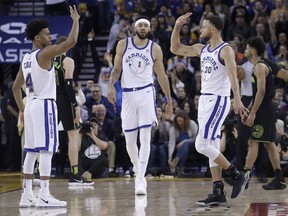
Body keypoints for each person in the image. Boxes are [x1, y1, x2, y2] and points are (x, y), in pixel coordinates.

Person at [170, 13, 249, 206]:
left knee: (201, 145)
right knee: (211, 146)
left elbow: (233, 75)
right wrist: (177, 26)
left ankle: (237, 175)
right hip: (204, 101)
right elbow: (175, 48)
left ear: (213, 29)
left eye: (203, 27)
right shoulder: (202, 49)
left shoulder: (226, 50)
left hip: (218, 100)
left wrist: (236, 99)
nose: (200, 30)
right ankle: (218, 191)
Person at [12, 5, 79, 208]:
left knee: (31, 152)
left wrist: (22, 111)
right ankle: (44, 195)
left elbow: (16, 88)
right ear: (37, 38)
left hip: (30, 104)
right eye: (47, 34)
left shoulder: (26, 58)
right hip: (44, 104)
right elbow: (72, 41)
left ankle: (26, 195)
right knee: (46, 151)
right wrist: (75, 21)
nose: (50, 37)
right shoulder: (45, 53)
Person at [108, 16, 173, 195]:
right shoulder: (123, 45)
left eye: (146, 25)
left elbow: (162, 76)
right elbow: (116, 70)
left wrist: (169, 101)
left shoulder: (155, 48)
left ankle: (140, 179)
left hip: (146, 92)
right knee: (129, 140)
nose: (143, 28)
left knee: (145, 137)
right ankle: (138, 171)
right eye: (141, 25)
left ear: (149, 29)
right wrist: (110, 87)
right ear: (135, 28)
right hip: (128, 94)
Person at [242, 36, 286, 190]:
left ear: (252, 51)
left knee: (254, 142)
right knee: (269, 144)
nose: (245, 50)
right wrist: (250, 108)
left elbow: (261, 91)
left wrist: (253, 113)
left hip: (264, 109)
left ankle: (244, 177)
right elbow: (257, 94)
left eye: (247, 48)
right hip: (264, 107)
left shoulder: (260, 67)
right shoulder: (262, 65)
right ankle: (279, 178)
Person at [54, 36, 94, 186]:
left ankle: (38, 172)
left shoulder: (46, 61)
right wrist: (75, 105)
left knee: (47, 136)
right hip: (64, 99)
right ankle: (75, 174)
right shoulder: (67, 61)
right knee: (73, 136)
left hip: (49, 99)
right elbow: (68, 85)